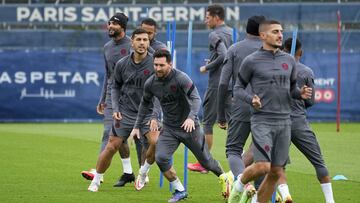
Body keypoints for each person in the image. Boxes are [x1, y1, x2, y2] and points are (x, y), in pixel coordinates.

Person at [228, 20, 312, 203]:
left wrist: (301, 94)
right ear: (263, 36)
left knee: (275, 172)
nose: (280, 35)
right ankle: (239, 184)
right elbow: (237, 89)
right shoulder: (251, 61)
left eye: (281, 31)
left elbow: (291, 90)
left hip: (284, 122)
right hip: (262, 120)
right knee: (263, 166)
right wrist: (252, 99)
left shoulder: (289, 60)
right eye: (275, 32)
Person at [131, 49, 231, 202]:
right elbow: (144, 105)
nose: (158, 68)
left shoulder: (181, 78)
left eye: (161, 65)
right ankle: (179, 190)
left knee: (206, 162)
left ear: (170, 64)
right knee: (161, 157)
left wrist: (191, 117)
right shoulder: (151, 83)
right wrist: (137, 126)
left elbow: (196, 99)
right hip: (170, 129)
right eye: (155, 65)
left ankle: (225, 178)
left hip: (190, 128)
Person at [87, 28, 159, 192]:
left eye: (145, 40)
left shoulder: (155, 64)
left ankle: (143, 172)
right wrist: (116, 108)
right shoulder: (122, 63)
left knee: (156, 142)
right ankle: (96, 180)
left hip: (147, 112)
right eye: (139, 40)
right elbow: (115, 86)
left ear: (148, 43)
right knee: (112, 145)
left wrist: (155, 115)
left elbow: (159, 91)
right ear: (131, 42)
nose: (142, 43)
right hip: (125, 112)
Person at [81, 13, 140, 186]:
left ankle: (140, 171)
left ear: (122, 26)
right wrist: (102, 98)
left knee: (129, 138)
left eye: (114, 24)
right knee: (110, 132)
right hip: (111, 96)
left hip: (130, 97)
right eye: (109, 23)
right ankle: (101, 173)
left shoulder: (132, 44)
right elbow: (108, 75)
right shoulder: (107, 47)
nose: (110, 26)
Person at [274, 38, 334, 203]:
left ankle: (286, 195)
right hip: (299, 122)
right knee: (319, 162)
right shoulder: (306, 72)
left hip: (278, 122)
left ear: (282, 50)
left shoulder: (275, 68)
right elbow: (310, 101)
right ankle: (330, 201)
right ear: (300, 52)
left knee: (277, 165)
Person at [217, 16, 265, 184]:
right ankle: (259, 194)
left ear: (246, 30)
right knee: (262, 152)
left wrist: (221, 115)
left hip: (241, 106)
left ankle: (240, 186)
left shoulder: (234, 49)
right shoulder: (274, 51)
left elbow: (223, 83)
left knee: (233, 150)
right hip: (267, 108)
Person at [188, 4, 233, 174]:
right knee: (232, 123)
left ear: (216, 17)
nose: (206, 20)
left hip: (217, 83)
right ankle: (242, 157)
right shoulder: (230, 32)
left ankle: (204, 162)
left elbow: (223, 54)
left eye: (207, 17)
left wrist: (207, 67)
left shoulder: (214, 34)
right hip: (230, 82)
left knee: (207, 122)